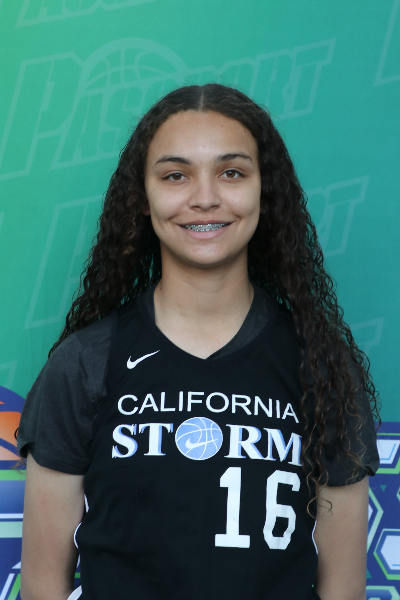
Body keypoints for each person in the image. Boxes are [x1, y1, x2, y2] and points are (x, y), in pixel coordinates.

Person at [17, 84, 380, 600]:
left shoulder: (320, 366)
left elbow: (343, 591)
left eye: (232, 172)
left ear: (264, 191)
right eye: (175, 175)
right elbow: (43, 588)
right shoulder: (86, 364)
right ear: (143, 198)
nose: (205, 197)